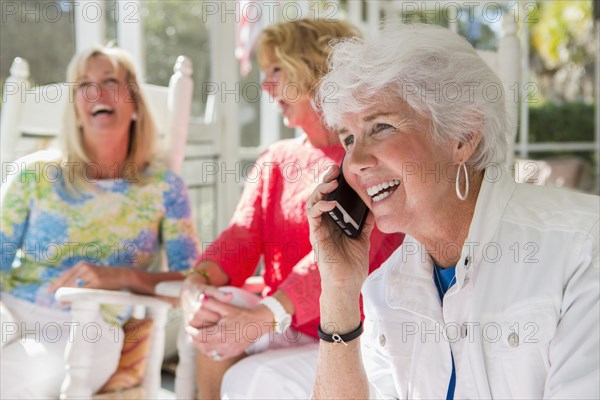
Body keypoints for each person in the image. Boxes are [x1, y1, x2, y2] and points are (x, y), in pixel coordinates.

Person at [308, 23, 599, 399]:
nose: (356, 161)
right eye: (348, 138)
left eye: (380, 127)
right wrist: (339, 293)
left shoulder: (581, 248)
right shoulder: (385, 289)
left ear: (462, 136)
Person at [180, 19, 404, 399]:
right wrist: (197, 284)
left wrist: (264, 316)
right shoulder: (277, 157)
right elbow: (241, 236)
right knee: (212, 314)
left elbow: (335, 255)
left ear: (315, 68)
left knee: (251, 377)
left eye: (276, 70)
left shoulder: (362, 157)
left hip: (354, 329)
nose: (266, 86)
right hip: (282, 323)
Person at [0, 46, 201, 399]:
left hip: (89, 326)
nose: (96, 93)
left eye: (110, 81)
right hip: (11, 308)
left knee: (16, 378)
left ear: (135, 104)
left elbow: (193, 281)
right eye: (84, 85)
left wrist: (122, 277)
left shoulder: (164, 188)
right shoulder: (33, 174)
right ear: (75, 109)